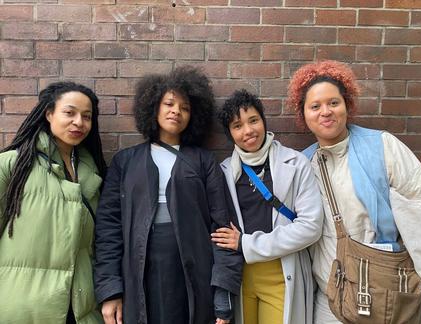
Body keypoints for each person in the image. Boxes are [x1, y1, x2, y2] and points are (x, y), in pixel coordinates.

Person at [93, 66, 243, 324]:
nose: (176, 111)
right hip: (138, 270)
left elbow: (222, 228)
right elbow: (108, 230)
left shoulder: (203, 161)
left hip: (193, 270)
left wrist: (223, 296)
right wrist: (110, 291)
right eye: (169, 103)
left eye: (185, 108)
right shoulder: (125, 162)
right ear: (153, 107)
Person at [287, 60, 421, 323]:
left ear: (347, 105)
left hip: (385, 297)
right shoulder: (302, 165)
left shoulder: (382, 147)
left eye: (333, 103)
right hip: (330, 303)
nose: (325, 112)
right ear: (303, 114)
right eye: (315, 106)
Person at [211, 89, 323, 324]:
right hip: (242, 278)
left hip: (282, 273)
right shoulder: (223, 172)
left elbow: (311, 227)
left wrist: (247, 243)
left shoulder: (296, 163)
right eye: (237, 125)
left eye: (253, 120)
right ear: (230, 134)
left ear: (263, 121)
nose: (248, 130)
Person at [0, 82, 107, 323]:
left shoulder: (95, 174)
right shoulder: (12, 166)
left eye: (87, 116)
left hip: (81, 309)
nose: (79, 122)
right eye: (69, 113)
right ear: (49, 114)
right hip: (21, 309)